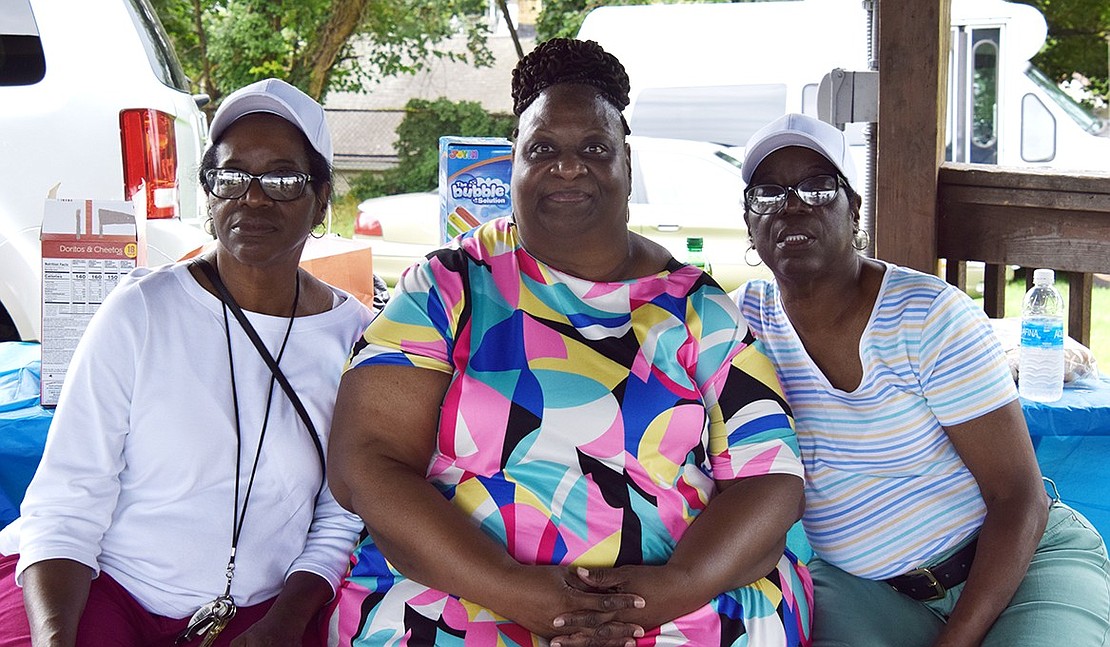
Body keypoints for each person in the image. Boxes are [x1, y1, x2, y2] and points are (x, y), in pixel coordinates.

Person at [324, 38, 812, 647]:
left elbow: (770, 477)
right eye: (543, 148)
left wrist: (659, 595)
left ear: (627, 165)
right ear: (514, 164)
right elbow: (366, 461)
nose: (568, 165)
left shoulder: (695, 306)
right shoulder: (448, 284)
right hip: (463, 591)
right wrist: (512, 589)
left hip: (675, 601)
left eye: (595, 148)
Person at [0, 78, 374, 646]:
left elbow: (342, 512)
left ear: (321, 199)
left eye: (281, 178)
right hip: (110, 589)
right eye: (230, 176)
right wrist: (56, 639)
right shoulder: (141, 311)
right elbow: (68, 497)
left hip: (268, 613)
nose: (252, 197)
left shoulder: (355, 337)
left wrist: (285, 622)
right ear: (209, 193)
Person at [733, 112, 1110, 647]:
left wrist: (956, 641)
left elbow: (1017, 497)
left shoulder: (926, 315)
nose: (792, 205)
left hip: (1021, 561)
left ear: (853, 208)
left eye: (818, 187)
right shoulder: (742, 325)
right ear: (750, 223)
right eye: (768, 193)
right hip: (868, 591)